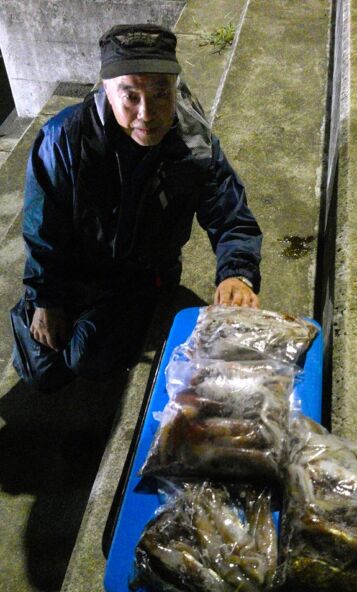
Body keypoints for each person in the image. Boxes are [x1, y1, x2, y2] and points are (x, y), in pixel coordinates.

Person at [10, 23, 262, 393]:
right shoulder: (62, 139)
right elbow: (42, 228)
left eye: (161, 93)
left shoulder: (195, 142)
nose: (147, 113)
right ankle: (39, 308)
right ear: (106, 90)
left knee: (89, 357)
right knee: (41, 373)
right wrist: (47, 300)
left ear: (174, 87)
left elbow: (230, 214)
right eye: (131, 96)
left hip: (142, 275)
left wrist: (237, 274)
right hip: (77, 270)